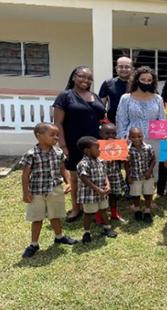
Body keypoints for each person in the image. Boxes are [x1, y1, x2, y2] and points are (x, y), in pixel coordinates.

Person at [53, 66, 106, 223]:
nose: (86, 80)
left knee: (96, 174)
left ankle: (95, 207)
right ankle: (77, 208)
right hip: (73, 142)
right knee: (75, 177)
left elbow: (102, 119)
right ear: (74, 77)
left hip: (95, 143)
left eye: (89, 78)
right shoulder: (65, 96)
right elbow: (58, 123)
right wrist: (63, 146)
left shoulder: (94, 96)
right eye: (82, 76)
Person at [20, 123, 78, 258]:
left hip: (55, 189)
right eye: (52, 135)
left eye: (57, 135)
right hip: (37, 191)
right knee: (37, 218)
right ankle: (34, 244)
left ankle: (59, 236)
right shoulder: (31, 154)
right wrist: (25, 192)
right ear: (39, 136)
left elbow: (63, 168)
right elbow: (25, 175)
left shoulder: (58, 152)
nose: (56, 138)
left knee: (55, 215)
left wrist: (68, 182)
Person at [76, 136, 118, 242]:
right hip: (89, 195)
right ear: (87, 150)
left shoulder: (100, 161)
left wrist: (107, 185)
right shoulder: (83, 164)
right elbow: (84, 179)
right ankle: (86, 232)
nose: (100, 150)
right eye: (97, 148)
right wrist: (97, 189)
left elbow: (105, 175)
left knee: (103, 210)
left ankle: (107, 228)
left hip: (102, 193)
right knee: (89, 214)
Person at [94, 123, 126, 225]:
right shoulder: (96, 146)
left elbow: (121, 161)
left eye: (113, 133)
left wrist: (124, 157)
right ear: (100, 133)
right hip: (101, 176)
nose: (110, 136)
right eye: (107, 133)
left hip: (115, 174)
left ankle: (114, 213)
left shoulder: (118, 145)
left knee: (114, 195)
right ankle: (98, 216)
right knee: (101, 196)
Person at [126, 127, 156, 223]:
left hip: (147, 176)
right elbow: (126, 164)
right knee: (136, 195)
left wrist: (149, 171)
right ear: (129, 137)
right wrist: (128, 176)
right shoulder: (128, 149)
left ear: (143, 136)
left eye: (139, 136)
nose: (137, 139)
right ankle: (137, 210)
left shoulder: (148, 147)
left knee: (148, 194)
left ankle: (147, 211)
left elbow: (153, 160)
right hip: (135, 177)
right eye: (133, 137)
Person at [99, 56, 133, 124]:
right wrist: (104, 123)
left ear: (132, 69)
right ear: (116, 68)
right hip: (113, 125)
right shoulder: (108, 83)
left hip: (135, 126)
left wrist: (157, 133)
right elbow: (101, 106)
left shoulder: (139, 84)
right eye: (120, 66)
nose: (124, 69)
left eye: (127, 67)